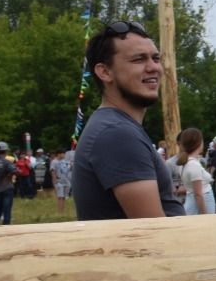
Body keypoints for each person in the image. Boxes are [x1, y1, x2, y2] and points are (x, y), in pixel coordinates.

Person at [72, 20, 185, 220]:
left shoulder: (114, 127)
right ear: (105, 72)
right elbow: (154, 232)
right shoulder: (116, 134)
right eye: (139, 60)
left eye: (156, 58)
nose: (154, 68)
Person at [176, 128, 216, 216]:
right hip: (202, 205)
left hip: (193, 202)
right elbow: (198, 194)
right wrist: (204, 215)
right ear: (199, 143)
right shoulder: (193, 165)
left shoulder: (186, 163)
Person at [50, 149, 73, 216]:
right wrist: (54, 180)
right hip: (58, 181)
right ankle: (59, 212)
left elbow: (67, 169)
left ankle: (62, 212)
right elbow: (52, 171)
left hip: (65, 181)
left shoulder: (64, 161)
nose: (64, 155)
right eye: (63, 154)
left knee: (63, 197)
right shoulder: (54, 162)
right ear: (59, 154)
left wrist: (71, 165)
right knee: (60, 197)